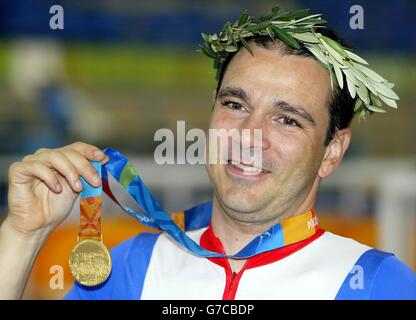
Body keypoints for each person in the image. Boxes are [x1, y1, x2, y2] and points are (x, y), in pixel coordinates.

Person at [0, 6, 415, 300]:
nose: (249, 135)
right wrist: (23, 233)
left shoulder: (375, 284)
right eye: (235, 105)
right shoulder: (133, 267)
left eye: (287, 119)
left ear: (333, 151)